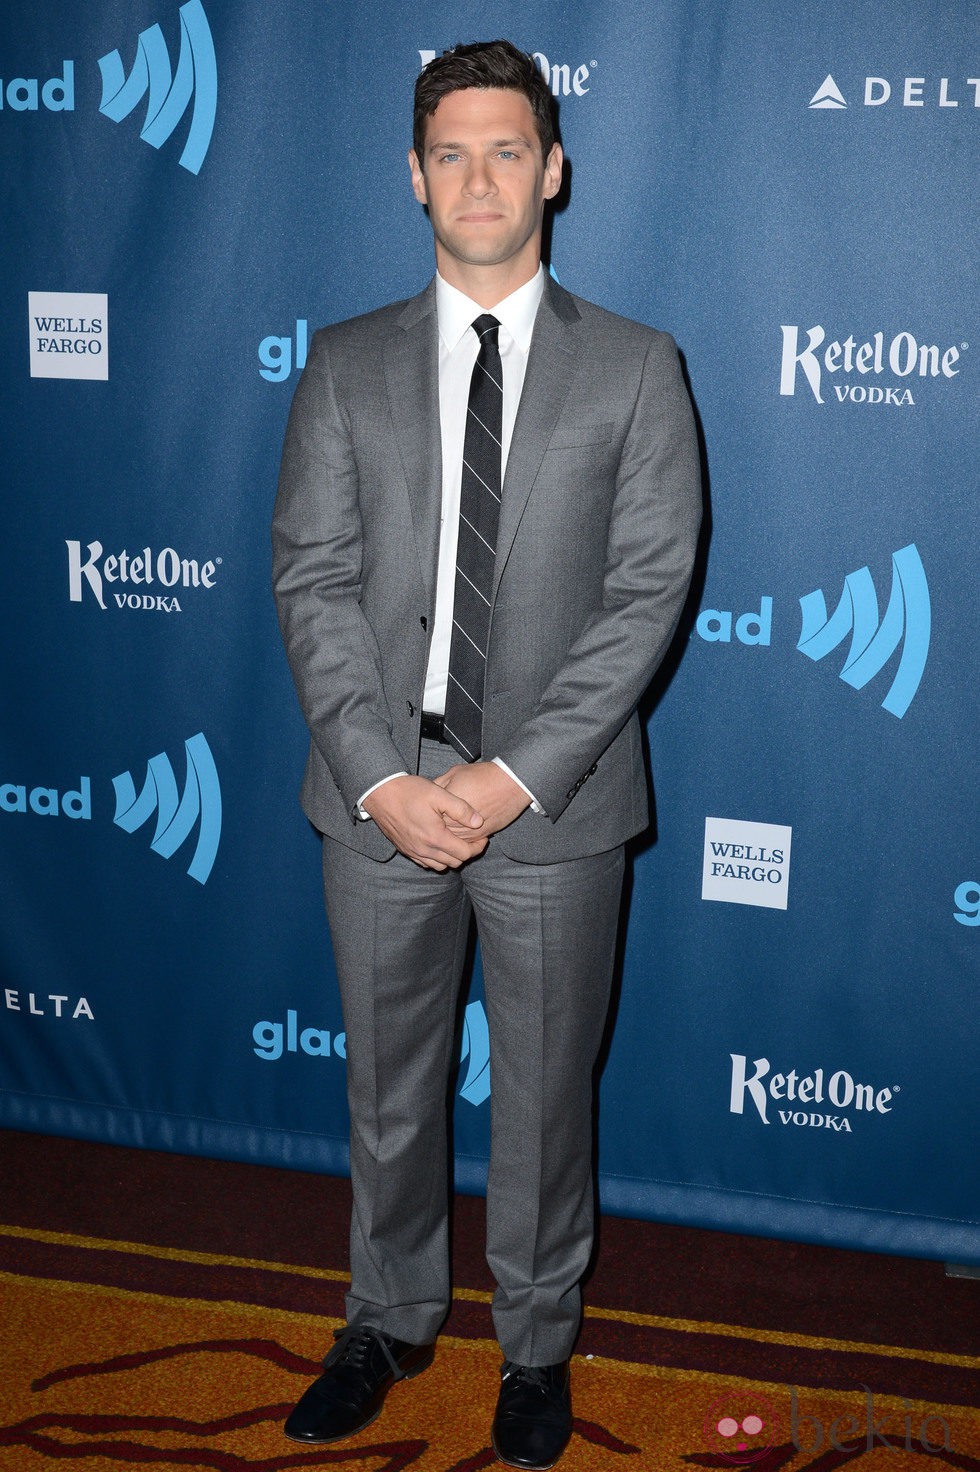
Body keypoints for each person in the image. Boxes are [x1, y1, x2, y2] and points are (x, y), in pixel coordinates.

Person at [272, 39, 701, 1470]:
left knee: (539, 1098)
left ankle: (535, 1346)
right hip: (376, 800)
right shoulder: (339, 366)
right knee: (390, 1090)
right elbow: (313, 580)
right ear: (412, 174)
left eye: (506, 148)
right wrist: (385, 777)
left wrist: (508, 777)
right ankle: (386, 1316)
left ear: (554, 169)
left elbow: (647, 597)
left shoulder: (641, 370)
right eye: (450, 150)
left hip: (553, 810)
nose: (478, 176)